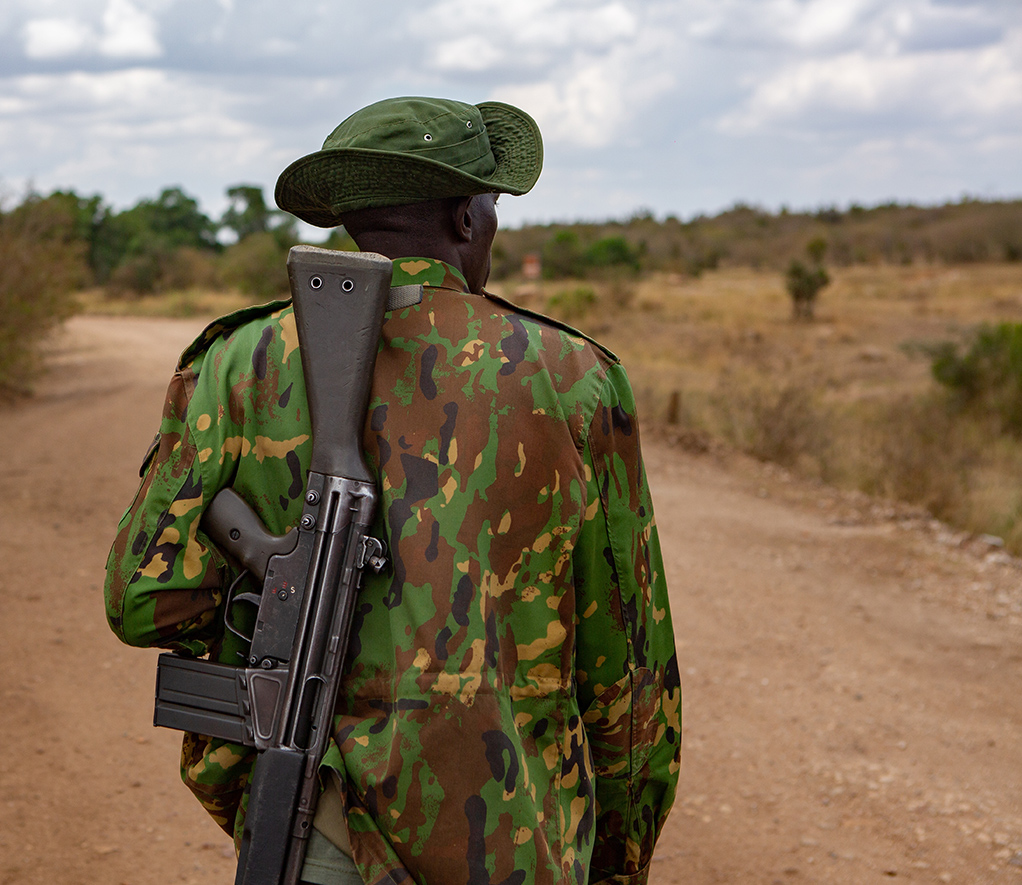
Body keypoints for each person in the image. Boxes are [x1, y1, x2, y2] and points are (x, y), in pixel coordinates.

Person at [105, 96, 680, 885]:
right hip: (513, 840)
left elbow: (144, 599)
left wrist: (264, 601)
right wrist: (621, 855)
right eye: (491, 205)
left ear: (352, 217)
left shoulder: (235, 364)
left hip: (315, 831)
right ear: (467, 218)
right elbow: (630, 673)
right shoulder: (572, 378)